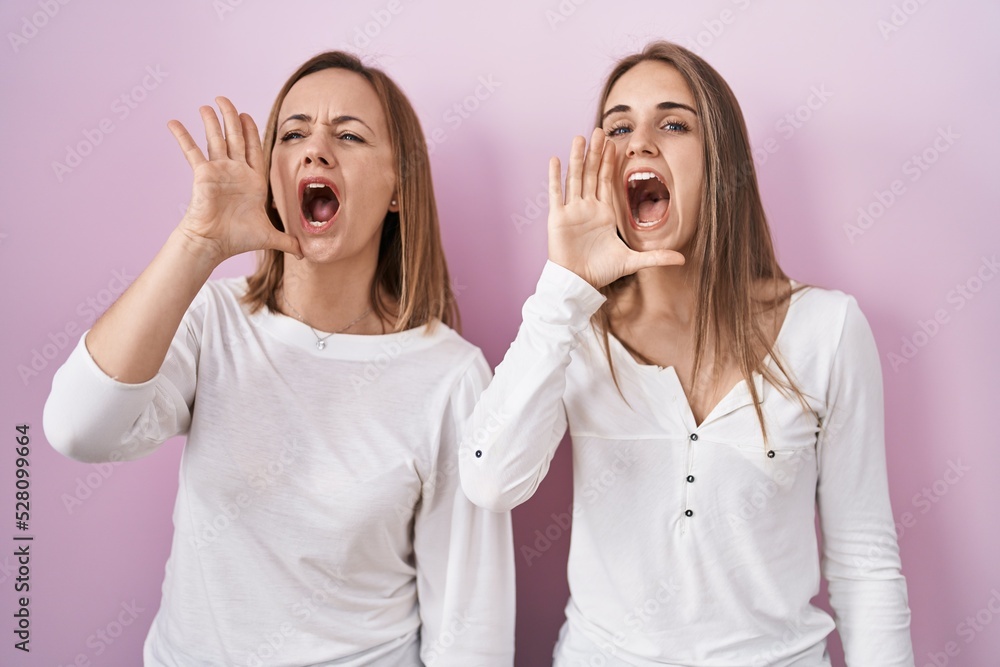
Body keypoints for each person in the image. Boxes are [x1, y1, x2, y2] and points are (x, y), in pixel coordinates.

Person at [44, 51, 514, 666]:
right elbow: (77, 430)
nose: (316, 150)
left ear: (399, 187)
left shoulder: (451, 376)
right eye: (293, 134)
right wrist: (197, 244)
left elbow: (469, 626)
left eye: (348, 135)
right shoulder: (213, 321)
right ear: (272, 173)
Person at [459, 41, 913, 666]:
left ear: (722, 163)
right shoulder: (574, 331)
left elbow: (865, 561)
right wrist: (565, 287)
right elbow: (489, 480)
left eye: (672, 123)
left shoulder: (828, 329)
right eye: (619, 126)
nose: (639, 142)